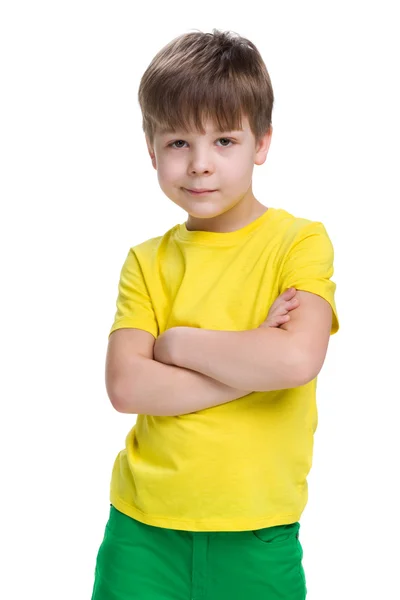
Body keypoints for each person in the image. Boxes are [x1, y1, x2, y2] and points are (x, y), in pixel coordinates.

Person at [91, 29, 340, 600]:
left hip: (257, 533)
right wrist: (251, 361)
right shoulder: (147, 261)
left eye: (224, 140)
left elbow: (297, 359)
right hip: (142, 531)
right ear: (151, 149)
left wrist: (175, 344)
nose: (200, 165)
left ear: (262, 143)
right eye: (179, 142)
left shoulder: (299, 243)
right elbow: (127, 385)